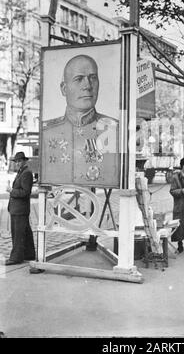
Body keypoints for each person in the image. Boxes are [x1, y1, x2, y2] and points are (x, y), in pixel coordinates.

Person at [41, 54, 119, 186]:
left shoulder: (114, 129)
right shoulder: (47, 131)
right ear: (64, 89)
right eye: (79, 79)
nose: (87, 85)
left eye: (93, 78)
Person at [5, 152, 35, 265]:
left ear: (24, 161)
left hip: (20, 209)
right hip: (18, 208)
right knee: (25, 232)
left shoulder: (26, 173)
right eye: (16, 161)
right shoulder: (22, 172)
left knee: (17, 234)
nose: (17, 163)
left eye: (19, 161)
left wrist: (11, 191)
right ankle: (29, 254)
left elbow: (26, 192)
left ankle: (16, 258)